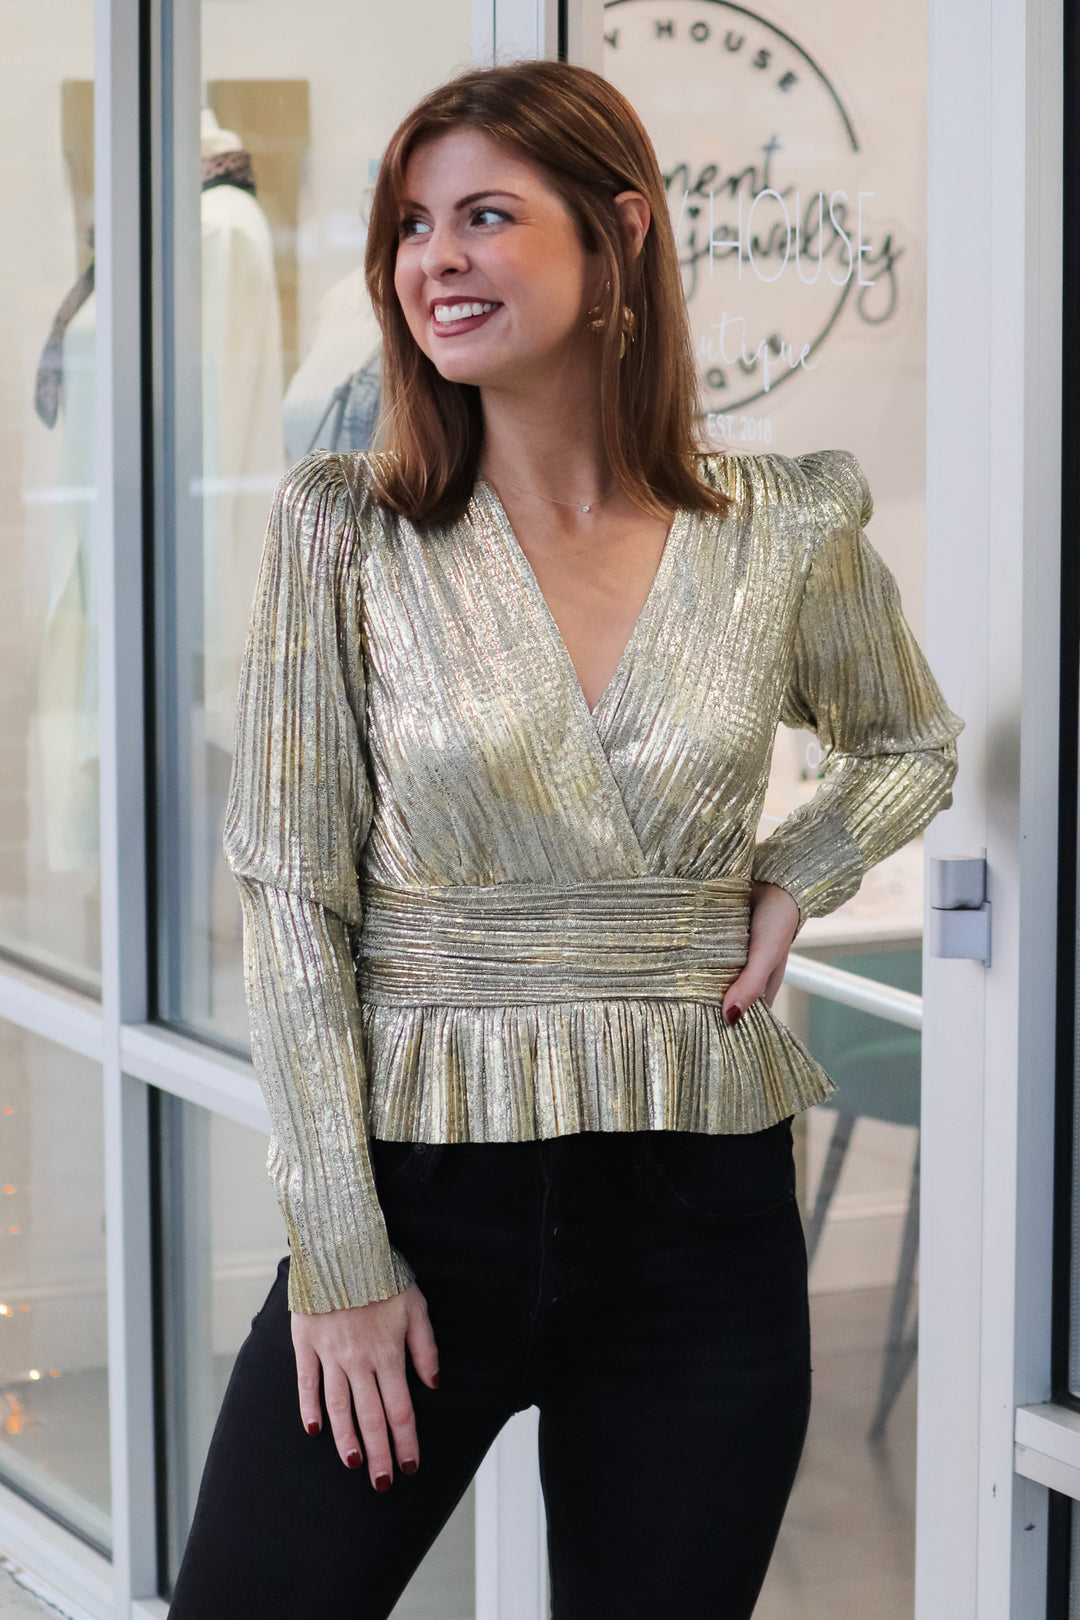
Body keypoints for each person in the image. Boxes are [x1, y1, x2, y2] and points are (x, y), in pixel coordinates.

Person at [169, 58, 963, 1620]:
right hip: (416, 1212)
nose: (432, 261)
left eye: (483, 216)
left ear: (622, 236)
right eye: (410, 225)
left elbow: (909, 742)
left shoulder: (779, 528)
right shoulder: (350, 527)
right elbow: (289, 896)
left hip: (702, 1228)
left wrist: (797, 872)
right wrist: (340, 1248)